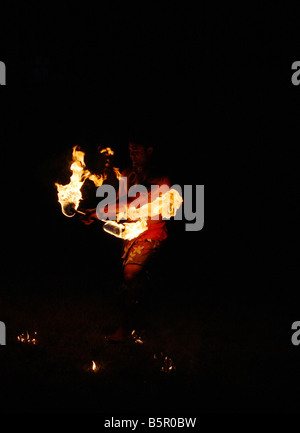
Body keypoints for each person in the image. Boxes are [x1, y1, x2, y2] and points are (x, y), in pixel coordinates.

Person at [81, 138, 170, 342]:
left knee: (130, 276)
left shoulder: (160, 177)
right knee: (133, 282)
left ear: (150, 150)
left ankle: (125, 329)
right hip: (130, 234)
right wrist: (96, 212)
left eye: (136, 151)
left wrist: (98, 212)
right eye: (130, 151)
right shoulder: (127, 174)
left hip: (151, 234)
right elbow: (121, 203)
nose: (132, 155)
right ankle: (139, 325)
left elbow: (136, 201)